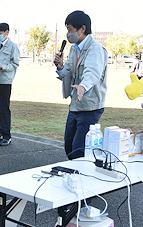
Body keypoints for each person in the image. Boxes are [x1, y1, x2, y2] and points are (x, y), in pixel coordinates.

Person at [54, 10, 108, 160]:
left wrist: (83, 86)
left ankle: (83, 179)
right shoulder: (74, 49)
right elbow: (69, 72)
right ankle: (75, 177)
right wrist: (60, 67)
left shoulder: (95, 49)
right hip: (75, 105)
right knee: (69, 146)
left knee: (79, 149)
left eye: (70, 29)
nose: (68, 34)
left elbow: (92, 72)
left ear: (82, 29)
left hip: (91, 107)